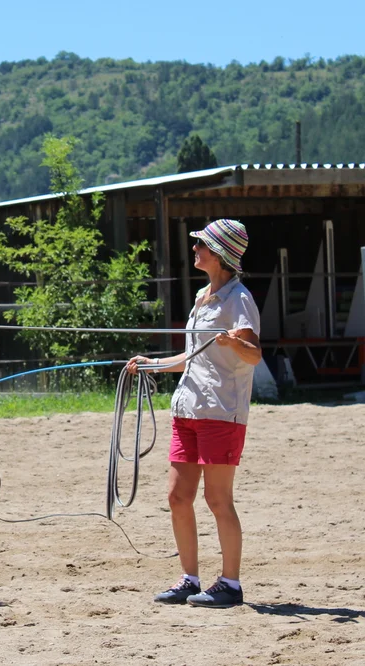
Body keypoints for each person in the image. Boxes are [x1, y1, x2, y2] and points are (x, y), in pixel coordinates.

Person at [127, 218, 261, 608]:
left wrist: (232, 342)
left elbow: (253, 354)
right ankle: (189, 578)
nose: (195, 249)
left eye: (201, 244)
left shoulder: (239, 300)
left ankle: (231, 584)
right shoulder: (203, 296)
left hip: (221, 411)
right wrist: (153, 364)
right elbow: (193, 357)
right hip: (188, 408)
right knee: (177, 496)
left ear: (220, 253)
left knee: (218, 500)